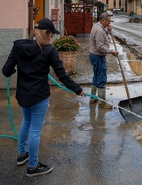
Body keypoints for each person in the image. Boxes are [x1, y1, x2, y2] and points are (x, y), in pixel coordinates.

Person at [2, 18, 86, 177]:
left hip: (23, 95)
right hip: (39, 96)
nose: (51, 37)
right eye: (50, 34)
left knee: (26, 122)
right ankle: (33, 167)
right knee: (35, 130)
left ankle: (22, 155)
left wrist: (15, 70)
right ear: (45, 33)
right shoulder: (49, 51)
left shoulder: (18, 46)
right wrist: (78, 89)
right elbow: (62, 75)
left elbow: (6, 71)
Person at [89, 12, 119, 109]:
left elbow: (102, 37)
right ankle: (102, 102)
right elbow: (100, 47)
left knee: (96, 76)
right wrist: (111, 51)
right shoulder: (99, 30)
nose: (109, 23)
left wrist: (108, 31)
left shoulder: (97, 27)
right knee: (101, 78)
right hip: (98, 56)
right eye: (108, 21)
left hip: (94, 55)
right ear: (103, 20)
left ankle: (93, 98)